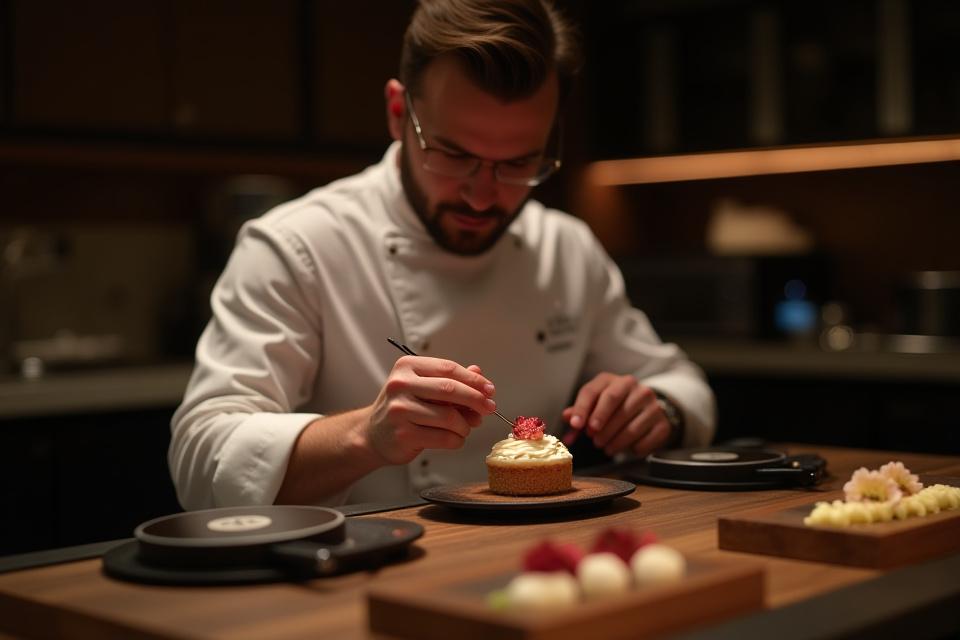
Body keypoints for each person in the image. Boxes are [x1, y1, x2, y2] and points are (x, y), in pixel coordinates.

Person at [169, 0, 715, 510]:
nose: (482, 196)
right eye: (453, 154)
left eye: (518, 163)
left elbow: (682, 384)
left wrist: (657, 409)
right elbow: (201, 457)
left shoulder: (565, 248)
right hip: (361, 563)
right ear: (397, 112)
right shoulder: (297, 246)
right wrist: (366, 436)